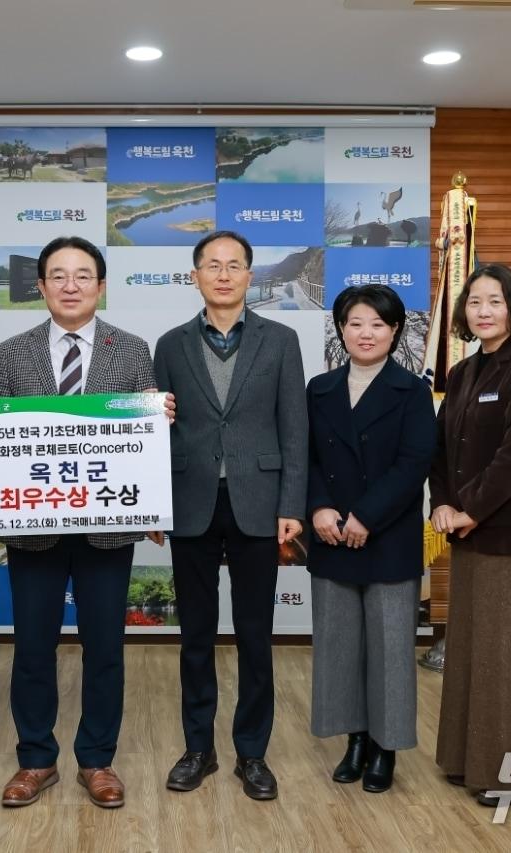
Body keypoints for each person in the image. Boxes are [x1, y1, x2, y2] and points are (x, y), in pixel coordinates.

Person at [0, 236, 158, 810]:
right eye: (57, 275)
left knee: (104, 647)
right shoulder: (12, 353)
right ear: (39, 287)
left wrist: (159, 420)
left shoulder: (132, 351)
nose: (70, 285)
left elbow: (145, 441)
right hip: (33, 530)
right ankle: (35, 760)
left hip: (107, 528)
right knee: (32, 646)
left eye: (82, 275)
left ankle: (97, 759)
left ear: (101, 285)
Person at [153, 230, 307, 801]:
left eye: (234, 265)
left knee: (254, 636)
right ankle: (199, 749)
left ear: (249, 275)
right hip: (190, 502)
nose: (223, 274)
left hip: (260, 506)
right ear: (195, 275)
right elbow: (153, 436)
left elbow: (295, 429)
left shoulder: (281, 340)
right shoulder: (169, 345)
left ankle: (252, 753)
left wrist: (291, 504)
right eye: (211, 265)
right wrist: (152, 503)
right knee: (194, 636)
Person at [429, 263, 511, 805]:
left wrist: (471, 509)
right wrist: (441, 501)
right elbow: (440, 448)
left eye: (495, 301)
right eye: (475, 302)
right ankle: (469, 761)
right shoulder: (462, 374)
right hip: (468, 534)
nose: (483, 311)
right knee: (473, 651)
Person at [306, 284, 435, 794]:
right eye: (356, 323)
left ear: (395, 331)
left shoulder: (412, 390)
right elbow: (307, 457)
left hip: (387, 538)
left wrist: (365, 516)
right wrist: (319, 506)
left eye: (378, 325)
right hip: (329, 535)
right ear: (341, 328)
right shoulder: (318, 388)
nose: (366, 333)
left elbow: (413, 464)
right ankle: (354, 739)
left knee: (390, 649)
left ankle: (385, 748)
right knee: (339, 648)